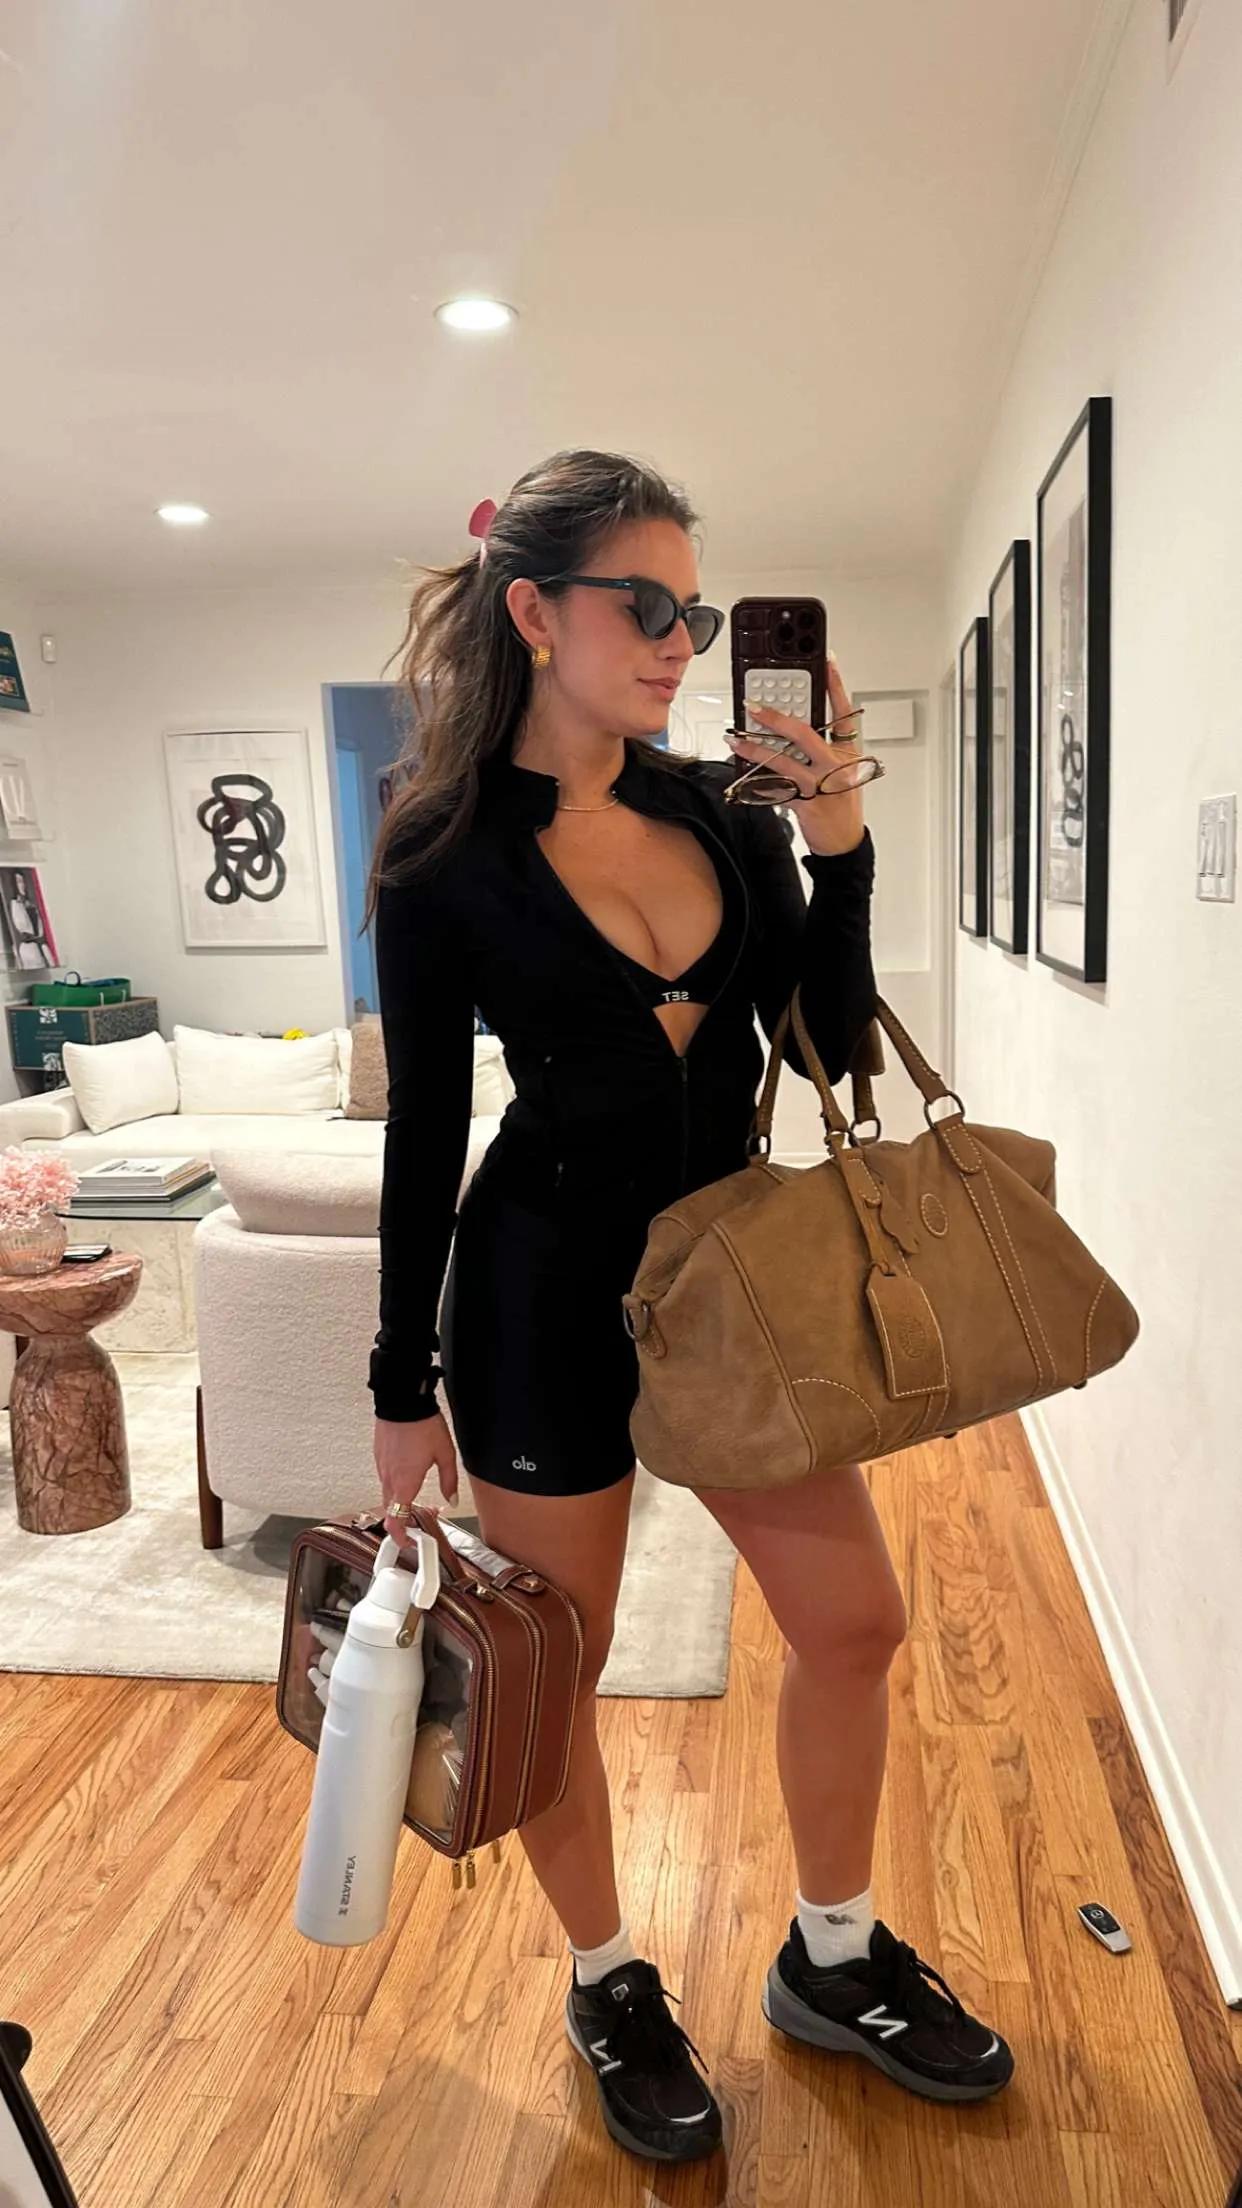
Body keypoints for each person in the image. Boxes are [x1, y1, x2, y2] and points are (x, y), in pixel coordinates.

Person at [364, 449, 1013, 2167]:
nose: (677, 641)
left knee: (852, 1622)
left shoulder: (725, 811)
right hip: (536, 1296)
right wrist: (398, 1378)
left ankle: (832, 1957)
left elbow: (832, 1035)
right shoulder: (438, 854)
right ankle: (607, 1980)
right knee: (555, 1675)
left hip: (732, 1285)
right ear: (533, 610)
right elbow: (424, 1129)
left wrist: (837, 839)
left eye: (696, 614)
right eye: (645, 605)